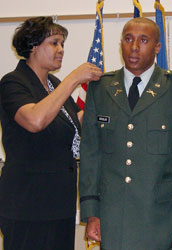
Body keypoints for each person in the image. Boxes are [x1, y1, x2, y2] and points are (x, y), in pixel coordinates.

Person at [79, 17, 172, 250]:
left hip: (162, 218)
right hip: (113, 217)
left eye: (143, 40)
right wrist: (91, 212)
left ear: (157, 48)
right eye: (128, 39)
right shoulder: (101, 88)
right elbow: (91, 154)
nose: (134, 47)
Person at [0, 16, 102, 250]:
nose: (61, 50)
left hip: (59, 203)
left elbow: (76, 121)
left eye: (62, 44)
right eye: (54, 43)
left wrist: (101, 98)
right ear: (33, 47)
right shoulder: (13, 83)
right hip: (27, 205)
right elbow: (35, 120)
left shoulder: (54, 84)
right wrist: (74, 78)